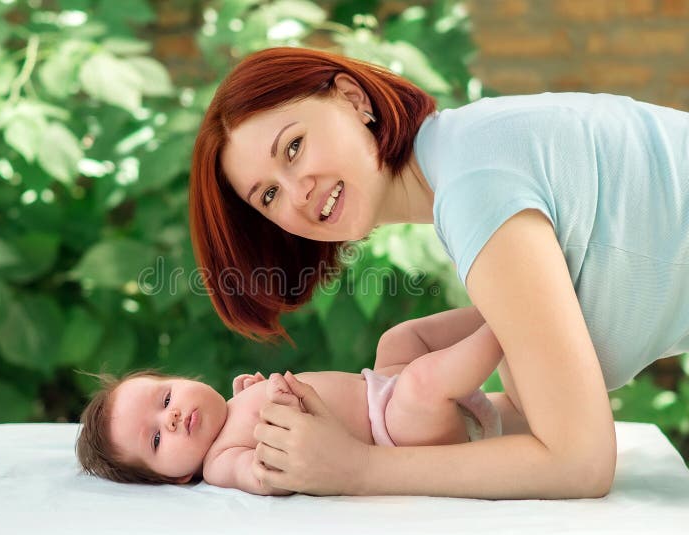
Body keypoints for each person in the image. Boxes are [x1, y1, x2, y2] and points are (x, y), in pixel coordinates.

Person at [188, 46, 689, 498]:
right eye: (268, 195)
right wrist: (373, 416)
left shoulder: (474, 187)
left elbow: (579, 463)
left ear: (352, 98)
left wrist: (359, 468)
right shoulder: (462, 155)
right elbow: (533, 422)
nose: (297, 194)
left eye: (293, 147)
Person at [75, 318, 519, 495]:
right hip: (399, 435)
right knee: (421, 384)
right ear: (176, 476)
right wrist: (274, 424)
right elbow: (267, 476)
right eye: (156, 438)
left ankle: (486, 305)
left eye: (166, 398)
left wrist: (250, 395)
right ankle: (510, 322)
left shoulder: (234, 405)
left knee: (398, 340)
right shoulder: (218, 463)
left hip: (380, 390)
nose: (170, 417)